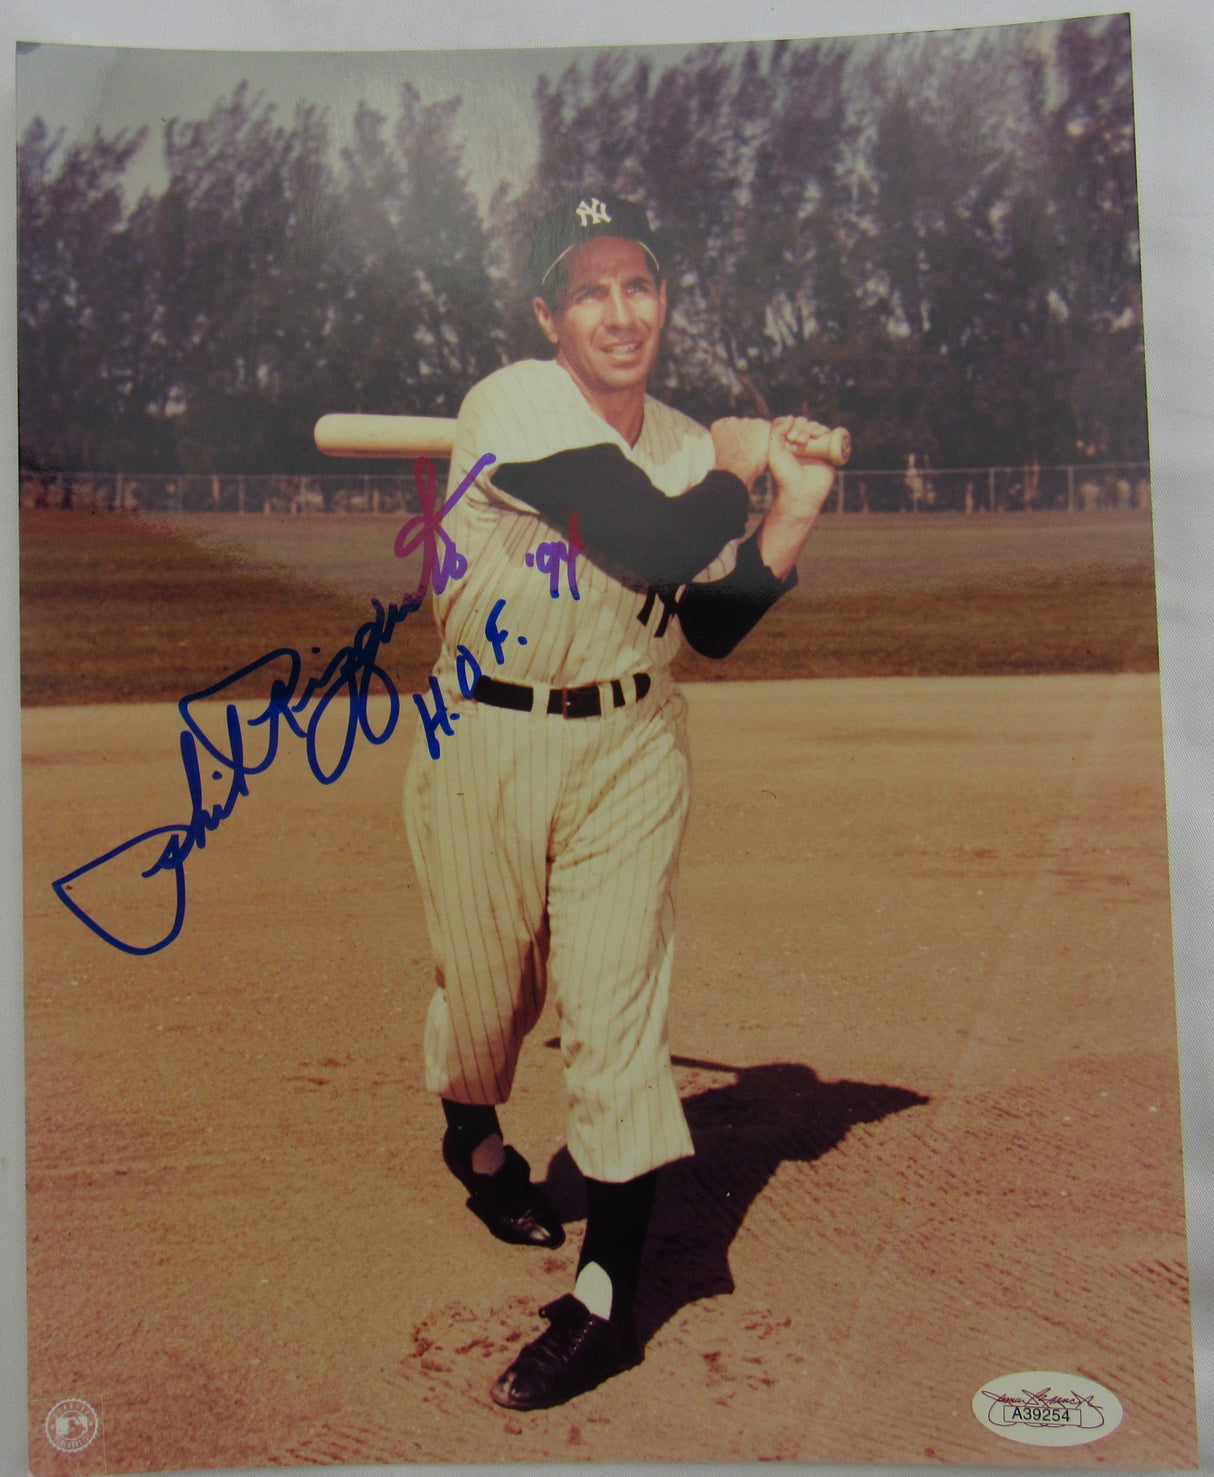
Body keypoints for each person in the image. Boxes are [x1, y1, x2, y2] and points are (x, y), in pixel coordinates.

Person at [403, 191, 837, 1410]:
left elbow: (707, 621)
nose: (617, 311)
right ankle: (474, 1134)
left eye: (636, 285)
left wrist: (790, 514)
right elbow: (644, 534)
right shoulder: (511, 403)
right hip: (484, 734)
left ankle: (605, 1300)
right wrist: (738, 467)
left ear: (663, 302)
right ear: (549, 317)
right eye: (587, 290)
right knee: (486, 996)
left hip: (631, 745)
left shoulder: (688, 443)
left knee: (613, 1018)